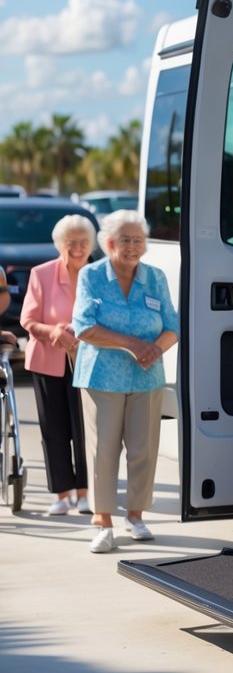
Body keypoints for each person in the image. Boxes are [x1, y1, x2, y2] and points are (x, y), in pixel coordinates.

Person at [71, 209, 179, 554]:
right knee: (103, 450)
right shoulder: (91, 276)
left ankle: (136, 516)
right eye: (126, 240)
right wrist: (133, 344)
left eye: (139, 240)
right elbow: (83, 327)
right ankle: (103, 521)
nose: (133, 247)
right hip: (102, 375)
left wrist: (154, 349)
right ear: (109, 243)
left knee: (143, 448)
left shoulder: (155, 277)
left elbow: (172, 325)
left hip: (147, 376)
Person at [20, 214, 96, 516]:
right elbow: (27, 319)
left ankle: (85, 492)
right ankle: (62, 494)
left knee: (85, 428)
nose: (78, 249)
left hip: (87, 359)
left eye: (84, 243)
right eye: (71, 243)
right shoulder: (41, 274)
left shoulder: (98, 275)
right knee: (54, 428)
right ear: (59, 245)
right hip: (47, 359)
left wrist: (81, 329)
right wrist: (53, 331)